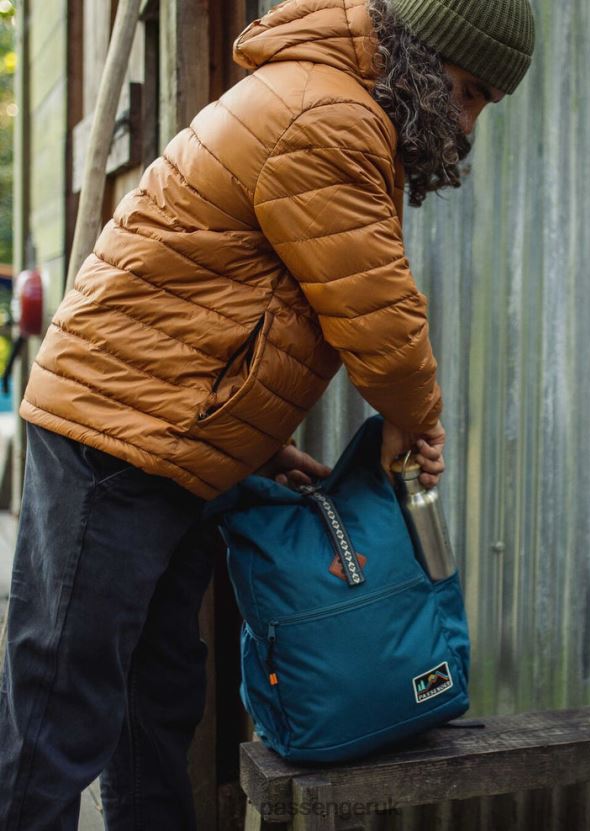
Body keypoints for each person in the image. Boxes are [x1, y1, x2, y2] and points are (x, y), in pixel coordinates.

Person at [0, 0, 534, 827]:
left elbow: (234, 302)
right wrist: (414, 418)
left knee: (155, 697)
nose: (465, 126)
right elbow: (377, 314)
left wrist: (255, 444)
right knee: (58, 710)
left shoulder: (329, 101)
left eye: (482, 106)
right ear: (423, 56)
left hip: (164, 437)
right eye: (467, 93)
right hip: (112, 435)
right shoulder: (330, 116)